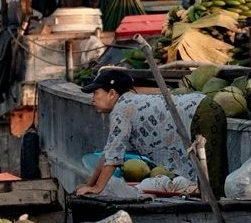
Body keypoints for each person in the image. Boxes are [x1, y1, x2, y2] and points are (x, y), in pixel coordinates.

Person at [71, 67, 228, 199]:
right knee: (212, 178)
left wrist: (97, 189)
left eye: (95, 93)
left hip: (201, 113)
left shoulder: (122, 110)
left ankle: (215, 218)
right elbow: (108, 154)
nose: (92, 99)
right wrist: (89, 184)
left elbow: (113, 158)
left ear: (111, 94)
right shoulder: (126, 104)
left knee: (211, 183)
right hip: (202, 109)